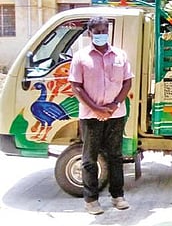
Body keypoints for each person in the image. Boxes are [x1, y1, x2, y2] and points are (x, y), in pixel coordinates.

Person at [68, 16, 134, 215]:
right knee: (89, 158)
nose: (101, 34)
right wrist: (95, 108)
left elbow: (127, 82)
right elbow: (76, 86)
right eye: (97, 31)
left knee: (115, 156)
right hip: (90, 116)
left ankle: (118, 196)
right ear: (90, 33)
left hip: (116, 114)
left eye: (104, 31)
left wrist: (114, 104)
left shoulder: (120, 55)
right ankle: (91, 200)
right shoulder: (80, 57)